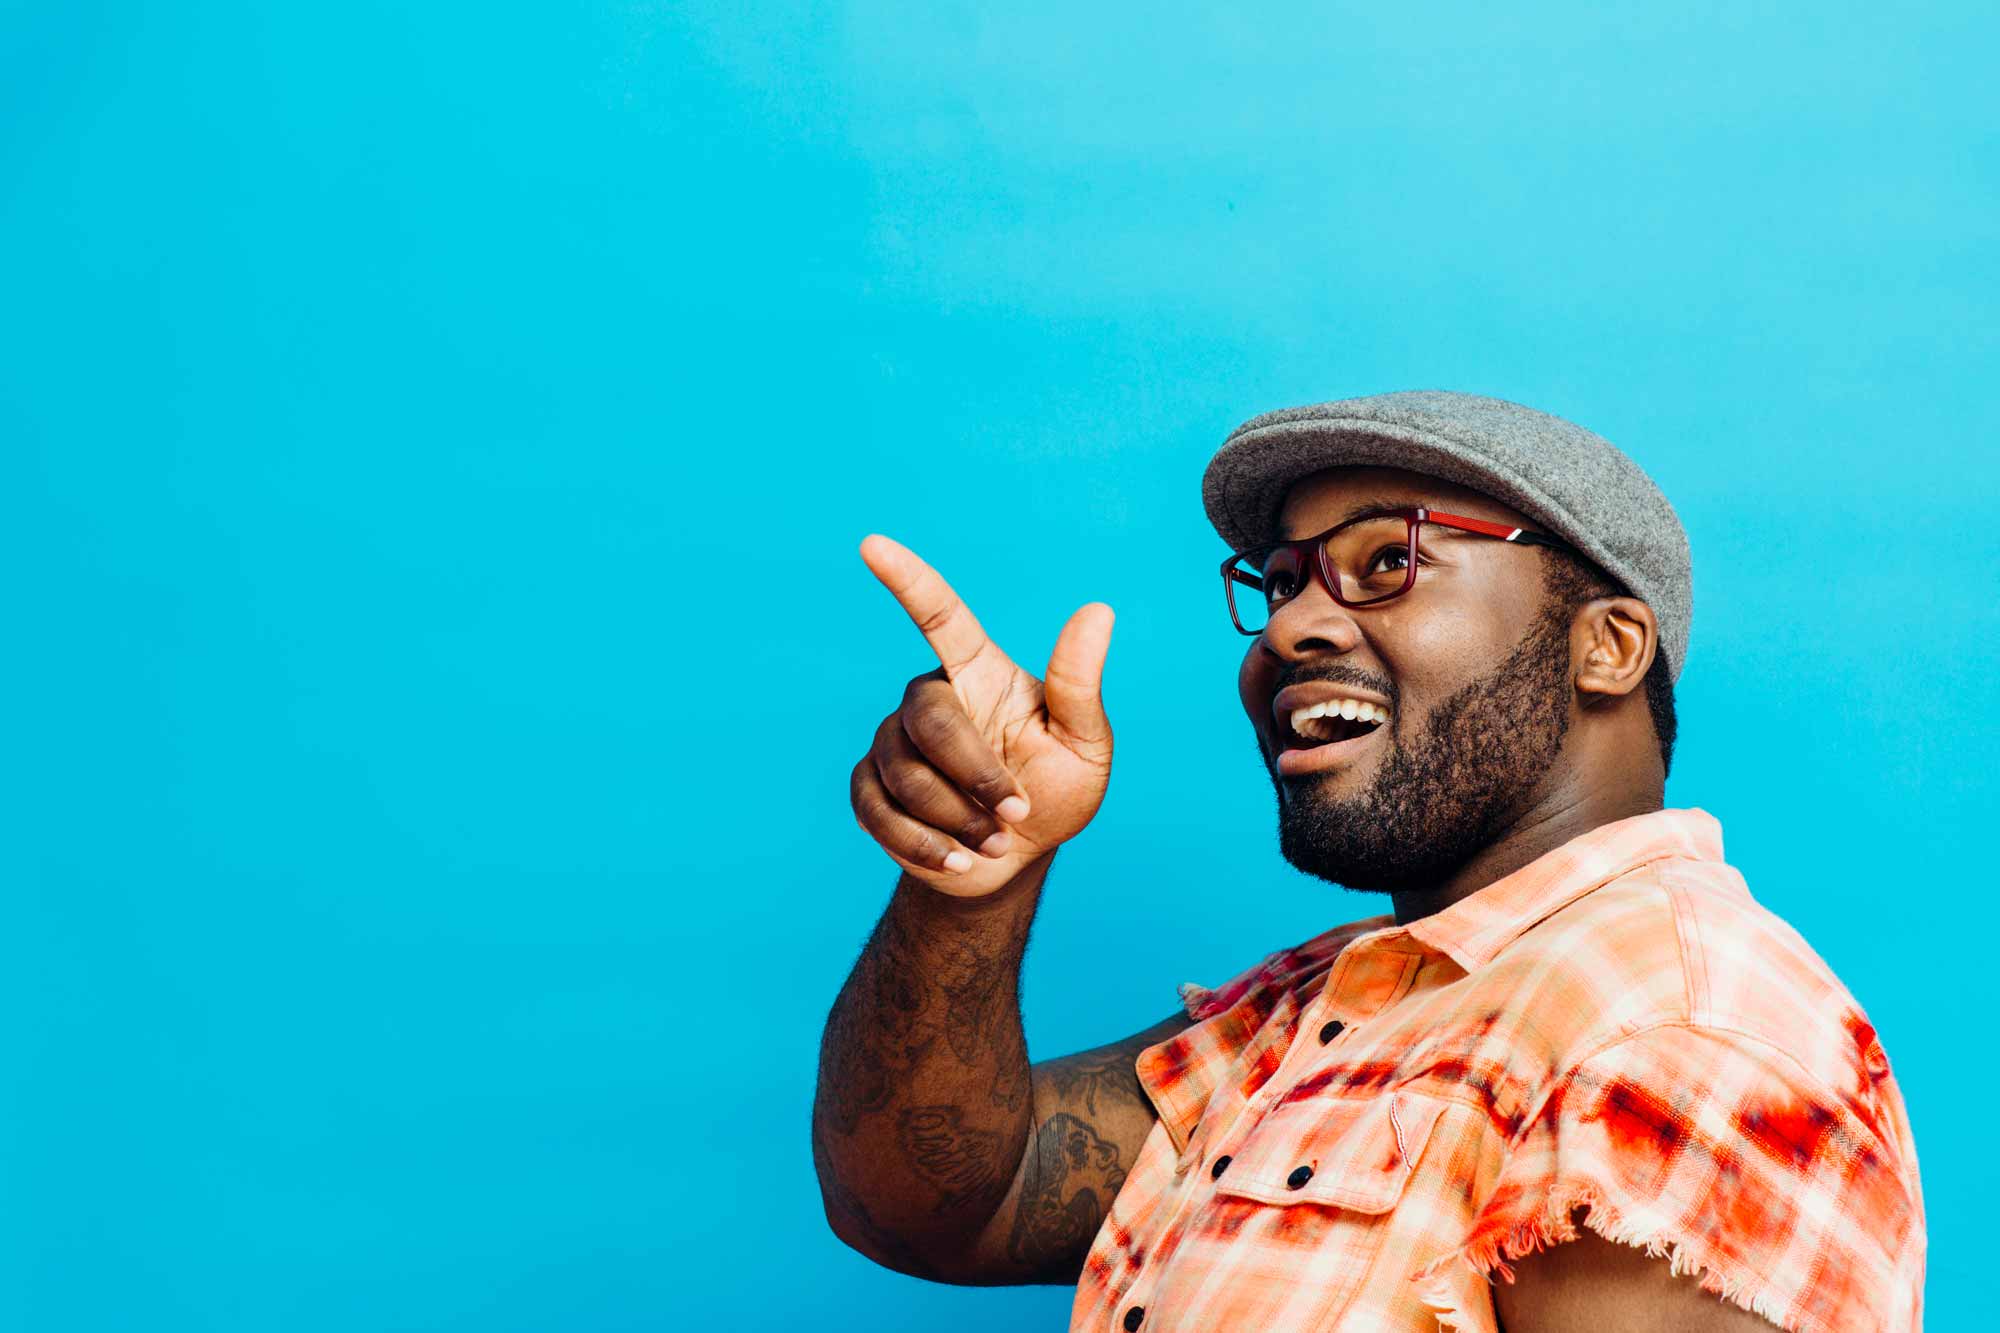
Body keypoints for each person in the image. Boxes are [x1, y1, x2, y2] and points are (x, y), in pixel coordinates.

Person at [812, 390, 1925, 1331]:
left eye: (1383, 561)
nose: (1292, 626)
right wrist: (973, 874)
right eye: (1282, 578)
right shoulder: (1332, 1005)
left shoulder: (1674, 1032)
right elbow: (942, 1199)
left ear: (1607, 646)